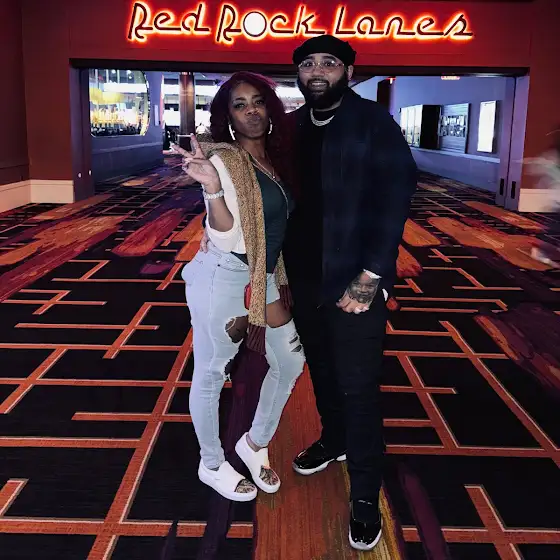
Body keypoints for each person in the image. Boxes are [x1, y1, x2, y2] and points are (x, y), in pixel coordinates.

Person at [283, 36, 418, 550]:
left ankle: (364, 494)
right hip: (304, 278)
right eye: (308, 64)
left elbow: (394, 198)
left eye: (329, 63)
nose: (317, 71)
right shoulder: (292, 126)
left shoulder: (373, 123)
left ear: (349, 72)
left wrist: (371, 275)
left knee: (358, 387)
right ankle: (334, 439)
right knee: (321, 370)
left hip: (354, 279)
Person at [180, 72, 304, 502]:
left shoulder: (276, 160)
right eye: (239, 104)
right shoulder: (223, 160)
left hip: (265, 275)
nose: (251, 110)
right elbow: (226, 235)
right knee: (212, 373)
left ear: (270, 108)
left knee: (289, 361)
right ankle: (211, 464)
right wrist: (213, 190)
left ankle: (253, 443)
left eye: (258, 101)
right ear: (228, 116)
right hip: (224, 274)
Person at [525, 127, 560, 267]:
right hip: (558, 197)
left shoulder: (553, 154)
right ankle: (541, 249)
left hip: (556, 197)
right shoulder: (554, 155)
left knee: (555, 225)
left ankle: (543, 248)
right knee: (554, 225)